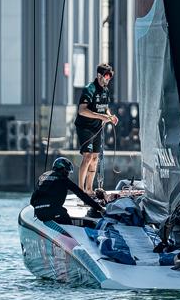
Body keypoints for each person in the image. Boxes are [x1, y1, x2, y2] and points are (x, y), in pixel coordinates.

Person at [74, 63, 118, 193]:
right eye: (106, 76)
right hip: (85, 127)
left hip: (97, 127)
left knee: (95, 158)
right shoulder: (89, 89)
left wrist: (110, 117)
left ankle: (89, 190)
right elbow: (82, 111)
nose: (108, 79)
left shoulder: (105, 90)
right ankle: (81, 191)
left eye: (110, 76)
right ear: (99, 75)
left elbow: (105, 108)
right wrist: (101, 116)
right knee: (87, 156)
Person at [30, 157, 104, 224]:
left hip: (38, 213)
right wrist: (99, 208)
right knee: (68, 223)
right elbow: (82, 195)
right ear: (63, 169)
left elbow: (32, 200)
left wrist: (40, 208)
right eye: (68, 171)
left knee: (58, 212)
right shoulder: (63, 179)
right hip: (54, 211)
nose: (68, 174)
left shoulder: (43, 176)